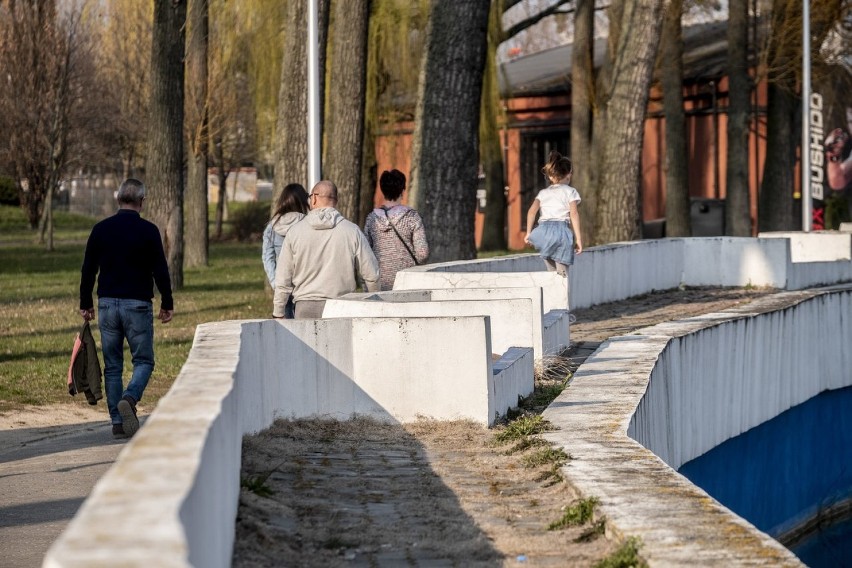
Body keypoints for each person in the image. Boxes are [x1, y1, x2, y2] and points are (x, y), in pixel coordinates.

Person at [79, 178, 174, 439]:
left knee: (112, 366)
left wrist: (85, 302)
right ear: (141, 202)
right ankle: (130, 398)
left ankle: (118, 422)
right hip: (138, 304)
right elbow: (160, 270)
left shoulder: (101, 229)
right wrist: (167, 302)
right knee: (143, 360)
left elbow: (88, 269)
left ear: (118, 199)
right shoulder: (149, 231)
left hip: (107, 303)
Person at [273, 180, 380, 319]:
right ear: (336, 201)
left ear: (315, 198)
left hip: (305, 306)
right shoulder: (352, 231)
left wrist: (278, 312)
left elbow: (283, 278)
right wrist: (374, 305)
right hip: (342, 306)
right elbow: (371, 274)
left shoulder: (295, 232)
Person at [364, 169, 429, 290]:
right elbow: (423, 253)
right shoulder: (411, 217)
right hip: (407, 280)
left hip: (379, 282)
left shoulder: (371, 219)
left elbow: (366, 253)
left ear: (382, 190)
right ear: (402, 190)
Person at [524, 150, 584, 277]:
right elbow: (574, 215)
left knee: (551, 275)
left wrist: (529, 233)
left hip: (543, 232)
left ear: (551, 176)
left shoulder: (543, 193)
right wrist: (578, 239)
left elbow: (531, 212)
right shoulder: (570, 191)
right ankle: (562, 295)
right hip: (561, 232)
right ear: (569, 174)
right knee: (562, 275)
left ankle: (553, 295)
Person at [261, 183, 309, 317]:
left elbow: (267, 257)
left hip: (283, 286)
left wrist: (275, 282)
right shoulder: (308, 224)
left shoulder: (272, 227)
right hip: (305, 285)